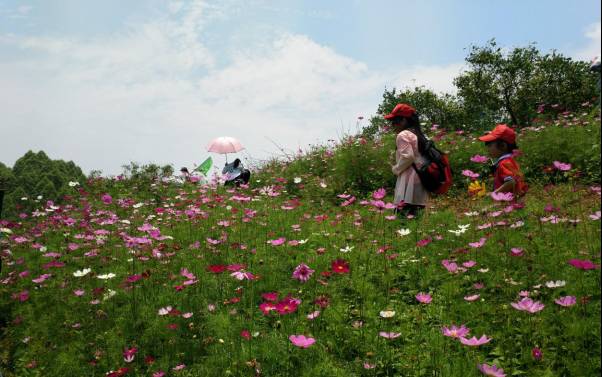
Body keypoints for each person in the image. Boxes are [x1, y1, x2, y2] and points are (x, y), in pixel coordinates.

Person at [385, 103, 429, 218]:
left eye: (395, 121)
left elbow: (408, 157)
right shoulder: (418, 135)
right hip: (420, 180)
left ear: (404, 120)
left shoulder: (403, 135)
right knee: (415, 219)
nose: (393, 125)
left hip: (408, 183)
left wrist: (396, 169)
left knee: (402, 220)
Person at [478, 124, 527, 196]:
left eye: (489, 145)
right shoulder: (510, 160)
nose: (487, 149)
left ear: (503, 146)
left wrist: (494, 193)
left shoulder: (504, 163)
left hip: (509, 202)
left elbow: (511, 182)